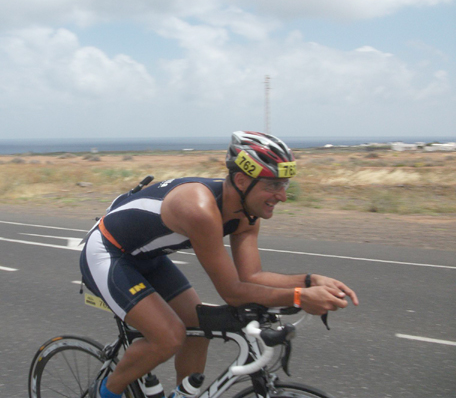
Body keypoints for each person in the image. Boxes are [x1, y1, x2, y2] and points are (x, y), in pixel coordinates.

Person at [80, 131, 358, 398]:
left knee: (198, 329)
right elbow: (233, 292)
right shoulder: (200, 209)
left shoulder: (247, 214)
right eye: (273, 185)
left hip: (147, 257)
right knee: (169, 337)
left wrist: (310, 281)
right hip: (108, 252)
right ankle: (105, 393)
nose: (282, 195)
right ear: (240, 180)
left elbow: (252, 275)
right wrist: (299, 296)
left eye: (283, 185)